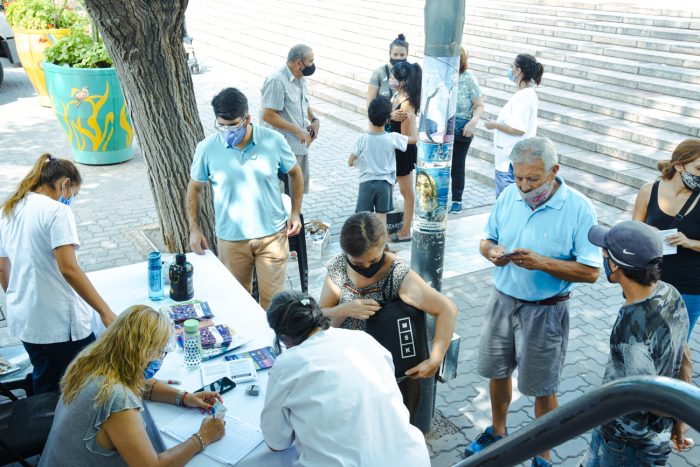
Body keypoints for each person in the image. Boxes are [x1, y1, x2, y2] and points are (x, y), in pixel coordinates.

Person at [465, 137, 601, 467]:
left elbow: (591, 271)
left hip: (547, 310)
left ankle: (543, 454)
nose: (524, 186)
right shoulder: (509, 195)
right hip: (502, 300)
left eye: (533, 179)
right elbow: (487, 239)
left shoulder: (580, 208)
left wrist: (542, 262)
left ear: (554, 170)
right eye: (518, 176)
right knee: (496, 372)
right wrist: (492, 252)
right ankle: (497, 432)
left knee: (543, 386)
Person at [39, 305, 226, 466]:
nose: (160, 359)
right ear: (141, 354)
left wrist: (184, 398)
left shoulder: (93, 358)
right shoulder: (116, 398)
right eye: (160, 352)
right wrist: (203, 437)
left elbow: (139, 382)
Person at [260, 291, 430, 466]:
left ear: (284, 337)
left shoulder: (287, 364)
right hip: (411, 458)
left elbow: (276, 443)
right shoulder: (363, 338)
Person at [318, 212, 457, 424]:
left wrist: (436, 359)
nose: (366, 268)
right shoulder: (338, 267)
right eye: (357, 262)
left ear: (383, 244)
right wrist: (344, 309)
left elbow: (446, 309)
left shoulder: (396, 273)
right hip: (349, 374)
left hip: (393, 383)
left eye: (372, 260)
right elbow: (319, 316)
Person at [0, 153, 117, 394]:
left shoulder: (9, 209)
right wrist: (105, 311)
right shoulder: (57, 212)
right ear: (65, 183)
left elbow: (3, 268)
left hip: (25, 321)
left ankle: (46, 429)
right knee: (91, 386)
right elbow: (69, 269)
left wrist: (21, 297)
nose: (70, 200)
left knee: (46, 385)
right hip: (60, 325)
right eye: (72, 194)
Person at [581, 221, 693, 466]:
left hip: (625, 443)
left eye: (604, 254)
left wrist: (671, 414)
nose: (602, 257)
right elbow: (685, 358)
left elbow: (652, 402)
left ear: (615, 267)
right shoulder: (669, 292)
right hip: (645, 435)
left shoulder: (630, 327)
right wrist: (680, 419)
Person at [187, 87, 304, 310]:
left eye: (233, 125)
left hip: (272, 236)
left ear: (247, 118)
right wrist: (195, 228)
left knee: (274, 304)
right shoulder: (206, 149)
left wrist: (295, 211)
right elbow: (194, 189)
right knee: (236, 303)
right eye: (221, 125)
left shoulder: (273, 140)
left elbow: (295, 173)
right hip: (231, 239)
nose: (227, 130)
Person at [633, 138, 700, 340]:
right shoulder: (649, 190)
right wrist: (646, 231)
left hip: (689, 286)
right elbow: (633, 231)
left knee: (676, 346)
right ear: (679, 165)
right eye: (698, 168)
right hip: (649, 280)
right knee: (640, 340)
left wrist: (690, 243)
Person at [261, 44, 320, 195]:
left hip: (300, 148)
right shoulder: (277, 81)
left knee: (296, 195)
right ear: (299, 63)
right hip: (283, 151)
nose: (313, 65)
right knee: (283, 198)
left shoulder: (300, 79)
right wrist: (297, 130)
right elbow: (268, 115)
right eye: (311, 61)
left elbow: (303, 103)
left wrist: (314, 120)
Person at [348, 96, 416, 227]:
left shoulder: (362, 139)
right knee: (381, 218)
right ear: (387, 120)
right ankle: (382, 246)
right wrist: (412, 121)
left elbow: (350, 162)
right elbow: (413, 139)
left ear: (369, 117)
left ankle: (365, 245)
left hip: (366, 182)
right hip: (385, 184)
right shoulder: (392, 138)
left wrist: (362, 163)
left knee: (363, 219)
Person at [484, 54, 543, 198]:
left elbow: (518, 129)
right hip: (510, 157)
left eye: (511, 67)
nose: (509, 70)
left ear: (518, 71)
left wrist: (495, 125)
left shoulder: (524, 98)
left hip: (511, 160)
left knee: (507, 202)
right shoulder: (523, 95)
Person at [388, 60, 422, 242]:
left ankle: (406, 230)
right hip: (394, 151)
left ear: (401, 80)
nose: (390, 79)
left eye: (393, 76)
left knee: (407, 193)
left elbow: (408, 137)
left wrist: (389, 137)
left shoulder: (407, 104)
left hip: (402, 154)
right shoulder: (397, 96)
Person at [450, 47, 484, 214]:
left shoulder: (468, 78)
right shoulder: (440, 75)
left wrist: (473, 122)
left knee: (457, 165)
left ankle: (457, 199)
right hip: (441, 128)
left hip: (462, 129)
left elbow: (479, 105)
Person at [367, 34, 408, 107]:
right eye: (395, 54)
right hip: (382, 117)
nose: (398, 58)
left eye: (402, 55)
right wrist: (390, 115)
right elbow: (369, 106)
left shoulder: (412, 73)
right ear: (390, 54)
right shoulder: (379, 73)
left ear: (407, 54)